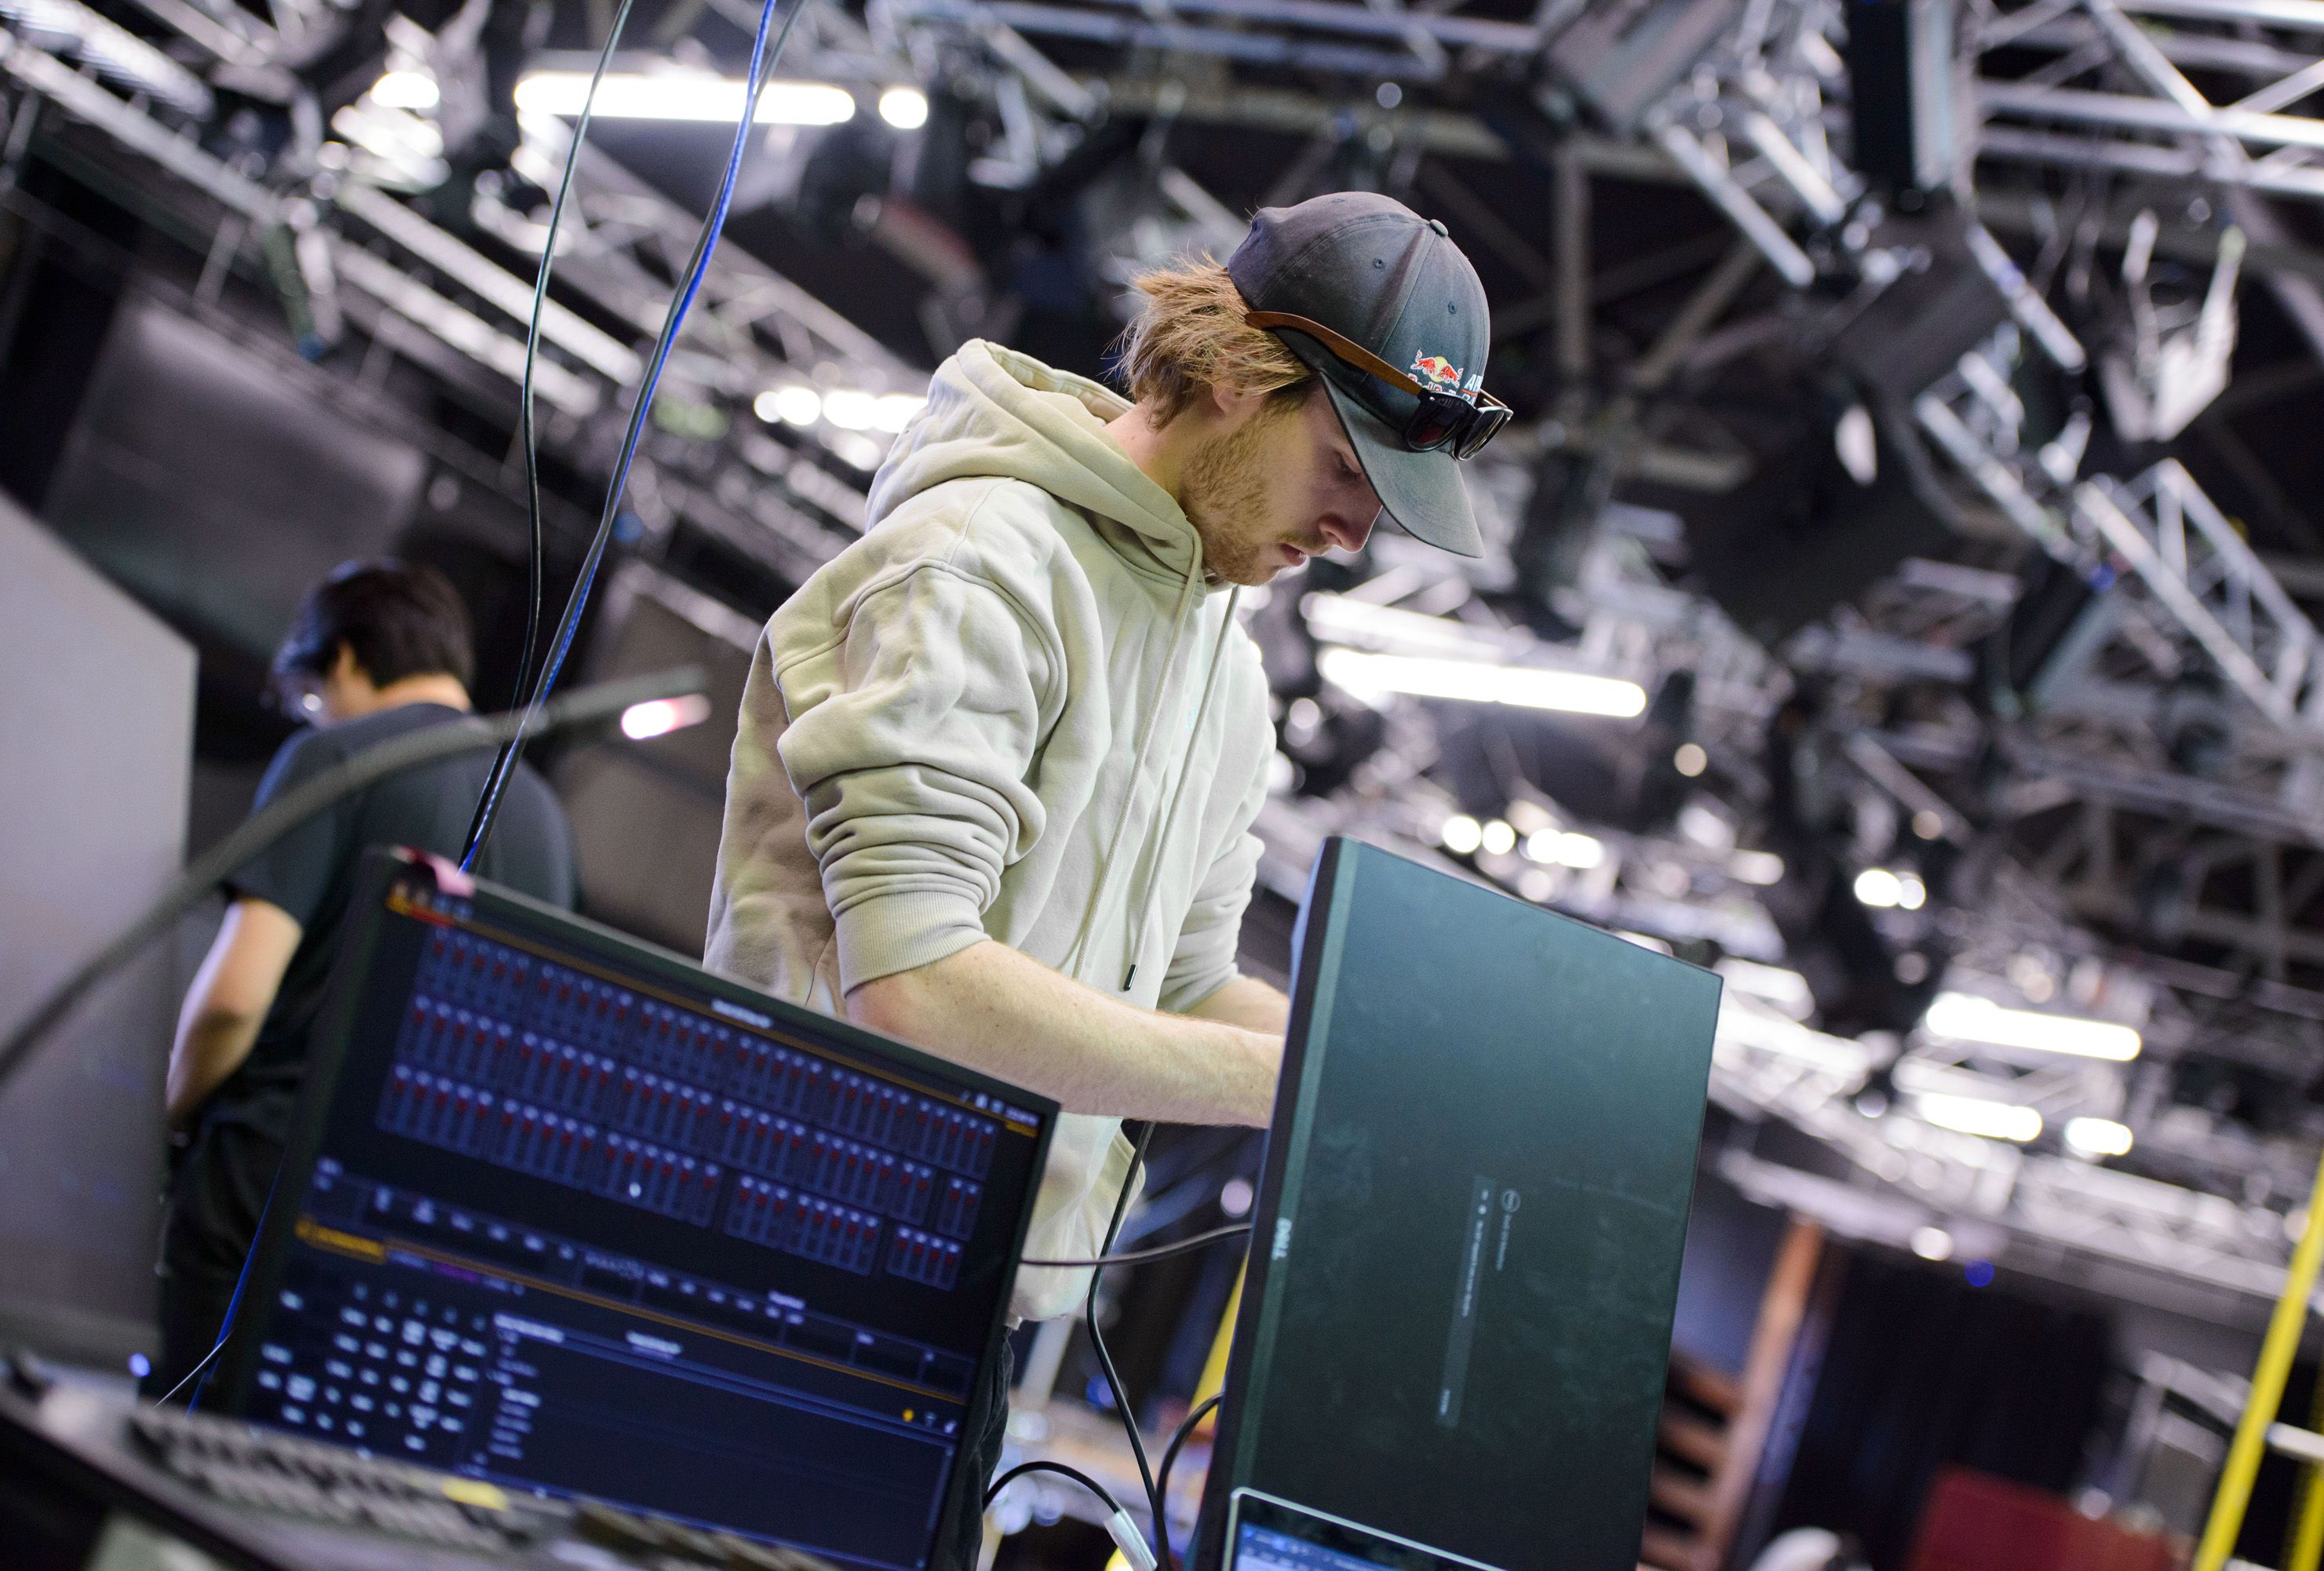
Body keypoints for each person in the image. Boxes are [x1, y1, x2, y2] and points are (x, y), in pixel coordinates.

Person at [704, 191, 1505, 1566]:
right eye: (1348, 462)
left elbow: (1191, 987)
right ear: (1245, 375)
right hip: (776, 1276)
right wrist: (1302, 1091)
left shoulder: (1227, 673)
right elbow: (915, 984)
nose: (1357, 530)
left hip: (974, 1321)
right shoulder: (982, 559)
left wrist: (1401, 1095)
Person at [151, 559, 577, 1398]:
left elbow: (234, 1001)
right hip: (419, 1221)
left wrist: (163, 1116)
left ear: (342, 659)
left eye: (312, 691)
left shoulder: (334, 756)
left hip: (261, 1186)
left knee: (177, 1442)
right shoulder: (546, 820)